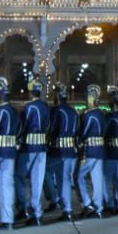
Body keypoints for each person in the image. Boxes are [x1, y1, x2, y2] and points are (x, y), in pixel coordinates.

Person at [18, 76, 50, 224]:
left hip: (29, 145)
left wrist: (19, 138)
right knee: (37, 180)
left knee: (18, 176)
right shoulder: (45, 106)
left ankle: (23, 207)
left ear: (31, 92)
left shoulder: (29, 107)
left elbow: (23, 126)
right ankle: (37, 214)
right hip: (42, 146)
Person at [0, 76, 21, 229]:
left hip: (0, 150)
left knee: (1, 183)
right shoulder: (14, 111)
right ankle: (9, 220)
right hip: (11, 150)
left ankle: (6, 218)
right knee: (8, 184)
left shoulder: (0, 110)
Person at [47, 82, 79, 221]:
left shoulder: (56, 110)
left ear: (57, 96)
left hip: (58, 150)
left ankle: (57, 200)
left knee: (45, 173)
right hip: (71, 150)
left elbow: (52, 128)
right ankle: (66, 207)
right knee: (65, 179)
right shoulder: (73, 111)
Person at [76, 84, 107, 218]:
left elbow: (84, 132)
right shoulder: (102, 114)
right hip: (100, 149)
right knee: (97, 179)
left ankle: (87, 203)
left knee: (78, 176)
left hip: (90, 150)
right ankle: (99, 208)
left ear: (90, 99)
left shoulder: (89, 115)